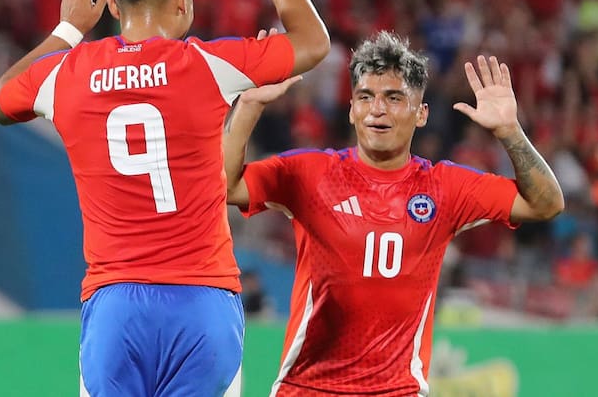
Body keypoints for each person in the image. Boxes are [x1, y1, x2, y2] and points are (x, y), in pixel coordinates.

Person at [0, 0, 329, 397]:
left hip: (115, 310)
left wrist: (66, 30)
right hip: (203, 306)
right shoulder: (209, 66)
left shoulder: (66, 75)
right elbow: (313, 43)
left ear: (117, 7)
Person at [224, 31, 564, 396]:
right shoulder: (310, 174)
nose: (377, 109)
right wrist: (248, 108)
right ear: (352, 108)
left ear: (421, 114)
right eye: (365, 97)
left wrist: (511, 132)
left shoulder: (445, 188)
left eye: (393, 98)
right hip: (307, 388)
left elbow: (547, 203)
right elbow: (225, 187)